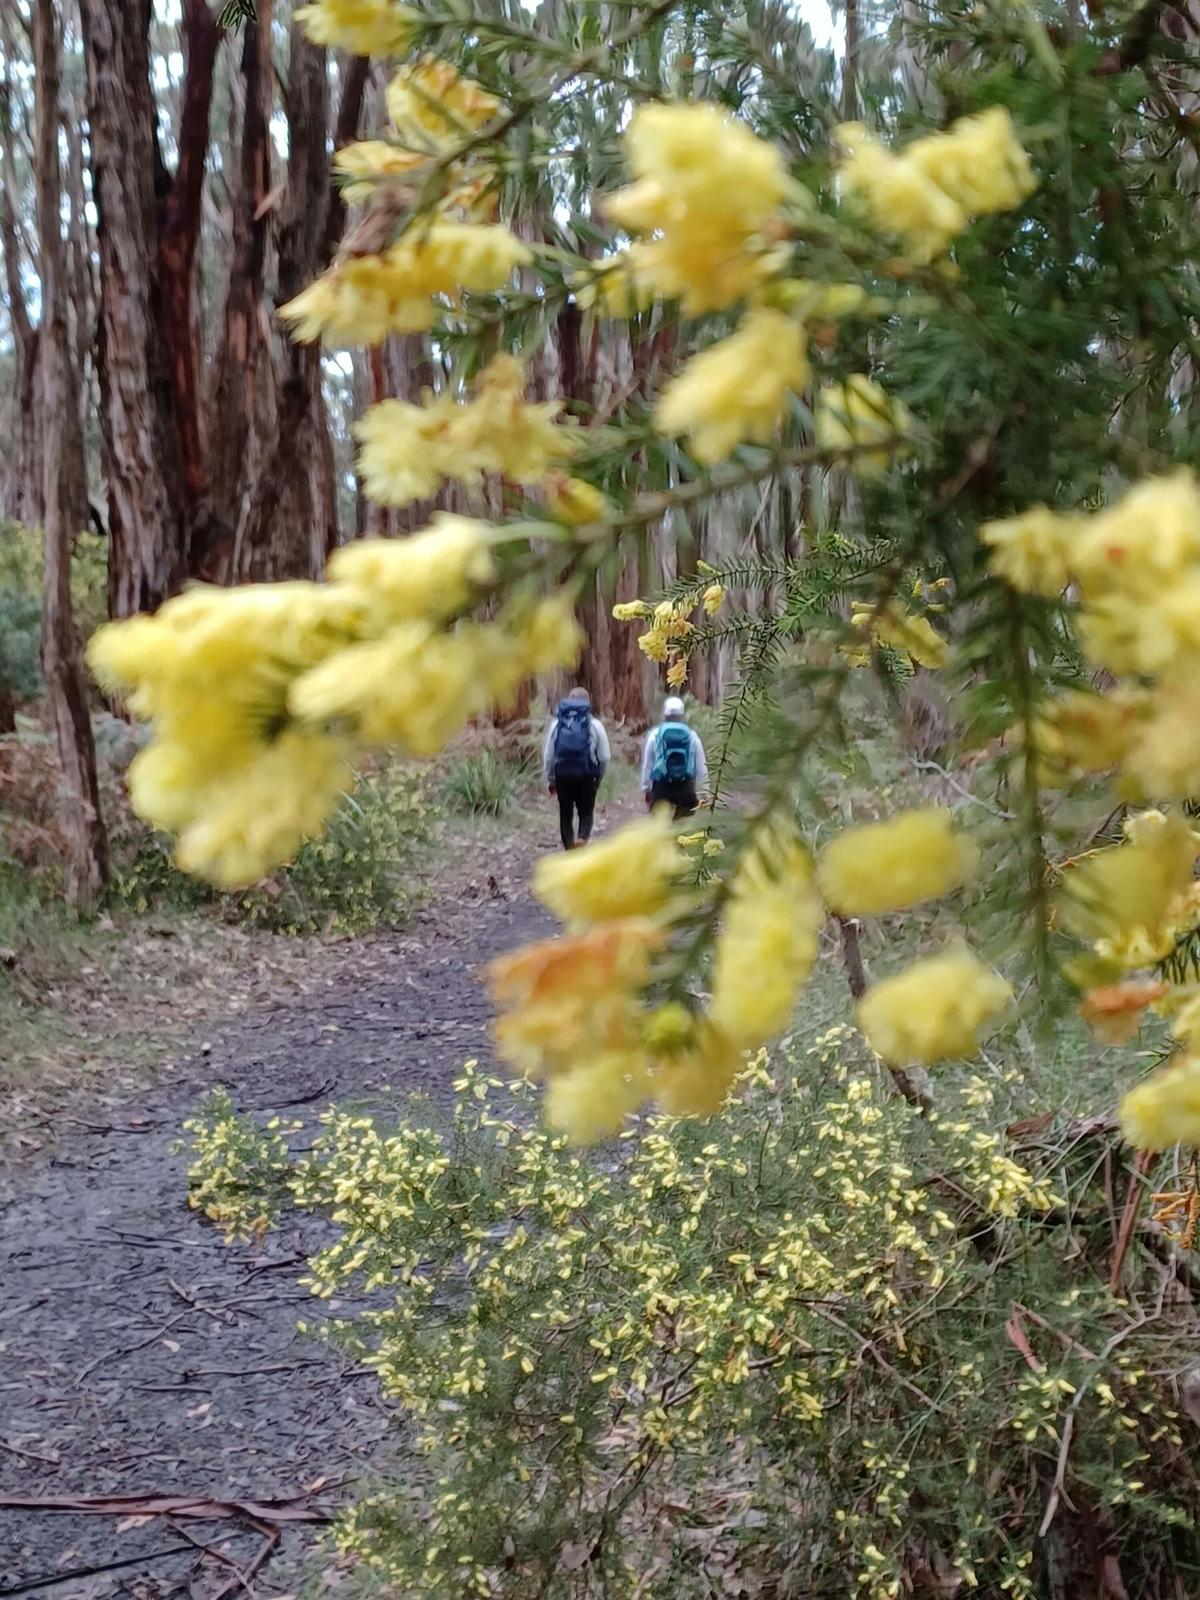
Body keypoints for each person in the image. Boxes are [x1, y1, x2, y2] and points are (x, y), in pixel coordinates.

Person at [542, 687, 610, 849]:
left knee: (565, 813)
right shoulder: (595, 725)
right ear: (588, 703)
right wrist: (599, 777)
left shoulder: (556, 724)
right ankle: (582, 839)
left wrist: (551, 779)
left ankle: (569, 848)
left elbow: (549, 756)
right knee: (586, 812)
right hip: (587, 775)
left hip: (562, 775)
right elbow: (604, 756)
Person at [641, 696, 707, 817]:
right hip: (685, 787)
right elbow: (701, 766)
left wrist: (646, 788)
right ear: (682, 715)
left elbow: (648, 765)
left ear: (665, 714)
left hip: (661, 787)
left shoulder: (655, 734)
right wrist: (704, 792)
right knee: (682, 827)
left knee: (658, 827)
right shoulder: (692, 735)